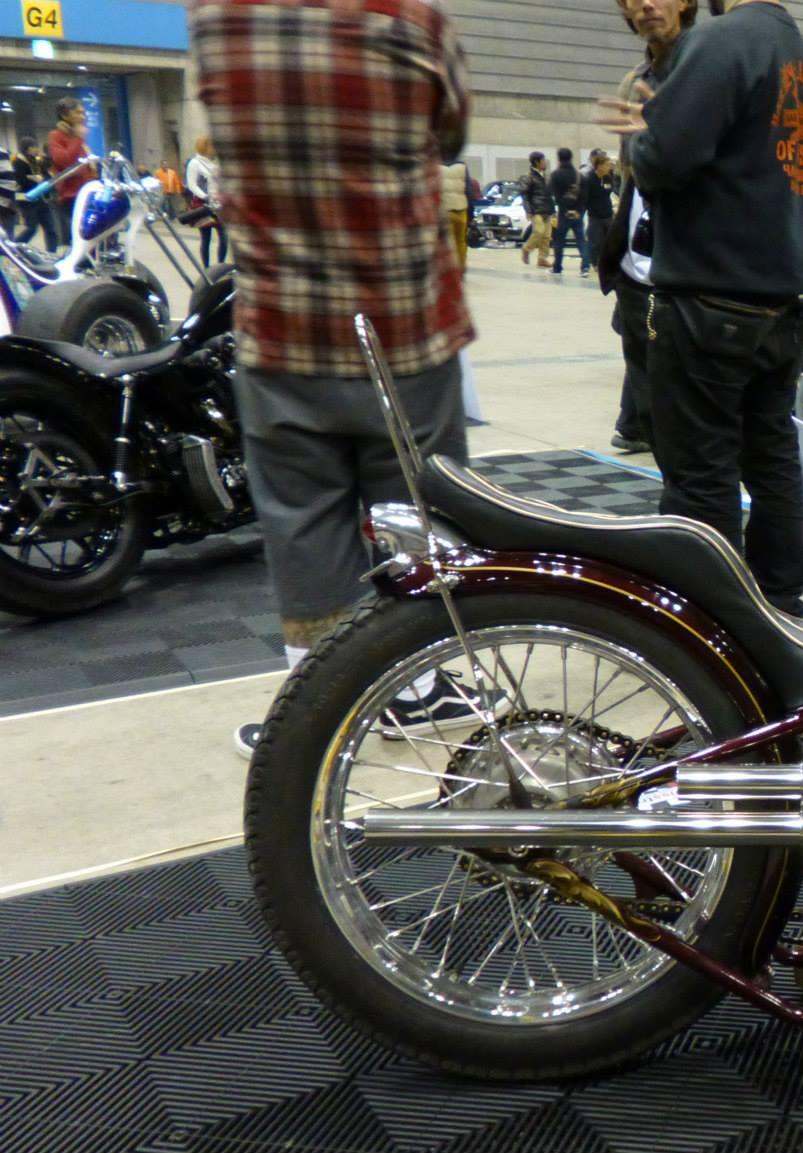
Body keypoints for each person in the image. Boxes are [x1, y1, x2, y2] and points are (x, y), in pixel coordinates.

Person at [193, 0, 477, 757]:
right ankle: (418, 689)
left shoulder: (219, 21)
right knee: (417, 515)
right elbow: (451, 135)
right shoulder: (413, 22)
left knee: (301, 525)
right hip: (402, 326)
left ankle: (313, 714)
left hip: (282, 330)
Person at [599, 0, 803, 615]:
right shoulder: (798, 53)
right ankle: (780, 606)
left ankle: (714, 624)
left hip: (710, 299)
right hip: (779, 304)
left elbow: (663, 163)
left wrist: (644, 135)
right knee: (771, 460)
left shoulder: (721, 41)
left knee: (701, 478)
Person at [596, 0, 703, 457]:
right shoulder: (633, 81)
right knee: (647, 394)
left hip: (698, 263)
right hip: (638, 262)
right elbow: (631, 173)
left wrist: (666, 132)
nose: (645, 4)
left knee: (693, 408)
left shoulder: (709, 68)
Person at [46, 97, 94, 250]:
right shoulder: (56, 136)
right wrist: (78, 138)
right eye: (78, 113)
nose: (83, 116)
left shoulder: (78, 138)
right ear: (64, 115)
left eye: (83, 113)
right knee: (80, 240)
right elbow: (65, 162)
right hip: (71, 197)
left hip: (88, 193)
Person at [186, 136, 228, 266]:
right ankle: (207, 268)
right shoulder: (195, 163)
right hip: (203, 204)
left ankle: (220, 265)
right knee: (206, 238)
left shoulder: (216, 163)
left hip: (219, 204)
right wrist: (205, 196)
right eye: (212, 146)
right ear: (204, 147)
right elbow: (192, 184)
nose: (214, 149)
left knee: (224, 237)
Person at [579, 149, 617, 279]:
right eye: (606, 165)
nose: (609, 167)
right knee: (595, 242)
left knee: (609, 241)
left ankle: (607, 263)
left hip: (607, 214)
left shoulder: (608, 178)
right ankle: (593, 263)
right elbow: (585, 198)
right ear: (599, 166)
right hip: (595, 216)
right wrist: (582, 212)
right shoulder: (589, 179)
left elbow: (610, 192)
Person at [548, 147, 585, 275]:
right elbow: (584, 194)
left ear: (558, 158)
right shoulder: (578, 175)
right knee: (580, 240)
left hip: (563, 212)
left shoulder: (555, 175)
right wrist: (579, 209)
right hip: (577, 212)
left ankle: (557, 267)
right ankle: (585, 267)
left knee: (559, 241)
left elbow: (550, 193)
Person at [12, 139, 55, 248]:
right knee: (31, 228)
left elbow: (46, 175)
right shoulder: (18, 162)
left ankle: (52, 253)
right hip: (27, 200)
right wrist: (35, 180)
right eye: (33, 146)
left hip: (41, 199)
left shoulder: (37, 161)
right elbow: (21, 180)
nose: (36, 149)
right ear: (27, 148)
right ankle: (15, 246)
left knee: (51, 229)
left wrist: (43, 179)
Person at [518, 150, 555, 264]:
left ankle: (542, 258)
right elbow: (524, 195)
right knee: (539, 232)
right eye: (542, 160)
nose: (545, 162)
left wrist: (552, 209)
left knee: (547, 236)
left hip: (547, 209)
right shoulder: (527, 177)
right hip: (536, 209)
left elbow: (550, 193)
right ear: (536, 162)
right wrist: (528, 210)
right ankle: (526, 249)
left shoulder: (546, 176)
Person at [440, 158, 471, 273]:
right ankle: (461, 269)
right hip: (461, 210)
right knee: (461, 241)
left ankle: (448, 270)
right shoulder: (462, 166)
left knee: (445, 243)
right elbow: (469, 190)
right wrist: (470, 212)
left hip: (445, 211)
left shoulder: (435, 166)